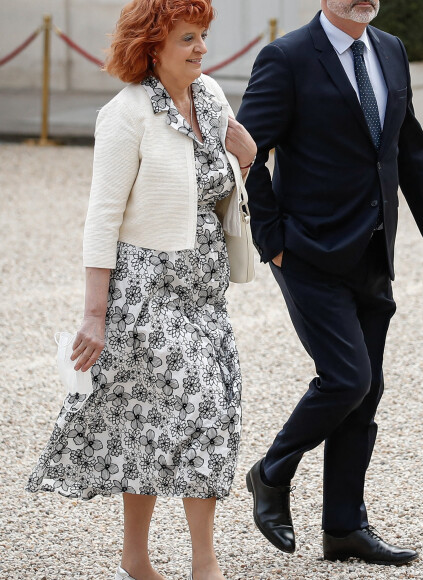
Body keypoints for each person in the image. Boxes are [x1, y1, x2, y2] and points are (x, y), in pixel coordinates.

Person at [26, 1, 256, 579]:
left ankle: (192, 560)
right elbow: (102, 218)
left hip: (204, 293)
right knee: (161, 420)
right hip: (145, 291)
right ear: (153, 46)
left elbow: (216, 188)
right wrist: (93, 315)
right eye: (187, 38)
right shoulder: (124, 114)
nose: (201, 47)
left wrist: (246, 159)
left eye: (203, 35)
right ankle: (165, 561)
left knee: (207, 416)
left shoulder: (212, 98)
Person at [237, 0, 423, 567]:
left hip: (372, 249)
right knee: (346, 378)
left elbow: (409, 148)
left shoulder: (390, 49)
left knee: (367, 393)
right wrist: (272, 237)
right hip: (306, 252)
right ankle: (271, 471)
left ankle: (344, 528)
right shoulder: (285, 58)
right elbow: (244, 152)